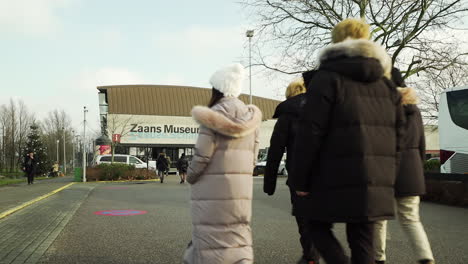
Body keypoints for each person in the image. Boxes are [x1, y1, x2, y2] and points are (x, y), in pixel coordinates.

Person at [289, 18, 405, 264]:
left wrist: (300, 179)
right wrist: (389, 175)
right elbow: (399, 134)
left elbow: (310, 132)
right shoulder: (386, 84)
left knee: (314, 224)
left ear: (336, 42)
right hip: (375, 178)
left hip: (332, 174)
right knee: (363, 240)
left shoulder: (326, 79)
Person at [183, 63, 262, 264]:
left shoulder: (212, 117)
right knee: (238, 233)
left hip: (212, 190)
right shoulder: (250, 118)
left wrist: (190, 176)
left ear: (217, 89)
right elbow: (253, 157)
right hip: (240, 190)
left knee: (211, 236)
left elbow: (202, 156)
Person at [374, 69, 435, 264]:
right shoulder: (415, 110)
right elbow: (421, 144)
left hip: (385, 169)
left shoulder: (383, 107)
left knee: (379, 218)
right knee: (411, 218)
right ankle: (426, 258)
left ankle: (379, 259)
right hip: (411, 169)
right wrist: (418, 168)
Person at [264, 78, 320, 264]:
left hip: (299, 176)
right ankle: (313, 254)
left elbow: (275, 151)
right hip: (323, 175)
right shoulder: (322, 111)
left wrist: (269, 183)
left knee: (304, 221)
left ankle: (311, 256)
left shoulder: (287, 116)